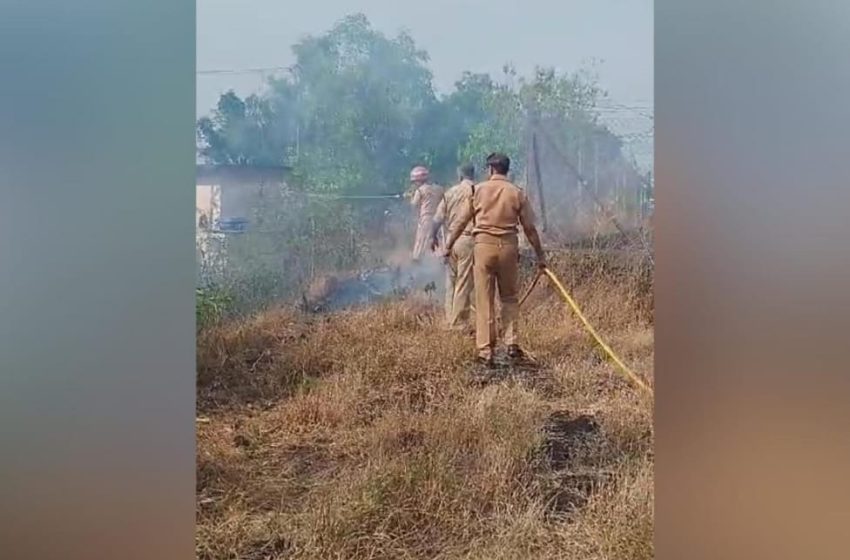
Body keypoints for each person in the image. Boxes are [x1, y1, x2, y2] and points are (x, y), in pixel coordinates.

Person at [443, 153, 546, 366]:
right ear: (506, 169)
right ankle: (511, 343)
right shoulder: (517, 193)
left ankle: (485, 351)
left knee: (484, 300)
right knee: (509, 297)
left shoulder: (477, 190)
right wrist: (540, 256)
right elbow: (530, 229)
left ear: (490, 169)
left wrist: (448, 246)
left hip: (483, 248)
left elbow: (461, 222)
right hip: (508, 248)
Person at [431, 163, 476, 330]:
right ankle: (459, 324)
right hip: (469, 241)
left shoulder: (450, 193)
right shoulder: (477, 191)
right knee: (464, 282)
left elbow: (437, 219)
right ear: (473, 175)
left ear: (459, 176)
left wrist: (432, 237)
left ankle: (450, 318)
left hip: (451, 241)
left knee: (451, 282)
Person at [407, 165, 444, 263]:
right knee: (439, 240)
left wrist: (410, 197)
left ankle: (418, 262)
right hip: (439, 219)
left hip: (426, 220)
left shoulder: (420, 190)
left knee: (421, 241)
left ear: (418, 180)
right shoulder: (439, 189)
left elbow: (414, 205)